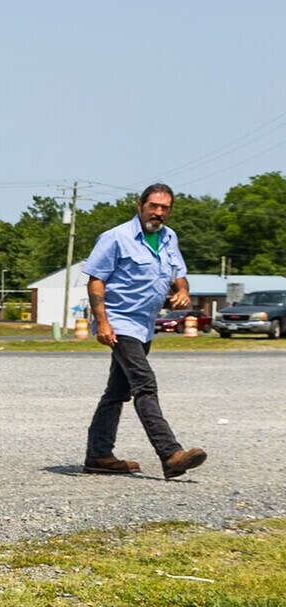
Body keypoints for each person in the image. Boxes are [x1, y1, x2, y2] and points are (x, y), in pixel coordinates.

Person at [80, 184, 207, 479]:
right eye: (154, 206)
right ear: (140, 205)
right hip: (121, 324)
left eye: (165, 208)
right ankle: (170, 454)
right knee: (145, 384)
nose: (159, 212)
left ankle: (98, 455)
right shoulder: (116, 238)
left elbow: (179, 274)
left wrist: (183, 292)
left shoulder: (168, 237)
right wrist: (103, 322)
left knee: (117, 392)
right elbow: (96, 281)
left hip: (145, 326)